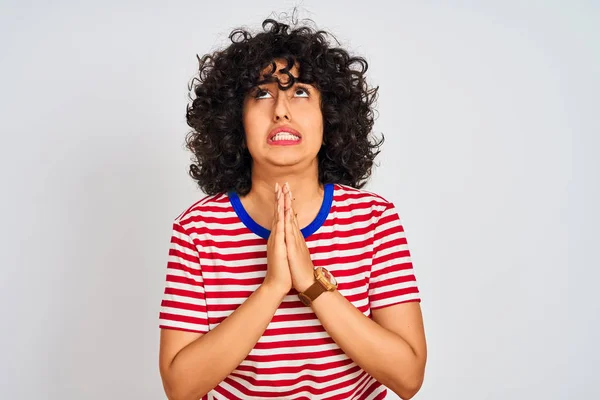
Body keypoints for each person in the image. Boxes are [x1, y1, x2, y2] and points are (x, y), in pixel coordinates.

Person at [158, 14, 427, 400]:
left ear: (329, 117)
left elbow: (408, 377)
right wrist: (273, 287)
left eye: (300, 92)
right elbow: (180, 387)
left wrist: (312, 285)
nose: (281, 110)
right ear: (236, 120)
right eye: (262, 94)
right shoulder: (197, 228)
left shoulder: (374, 219)